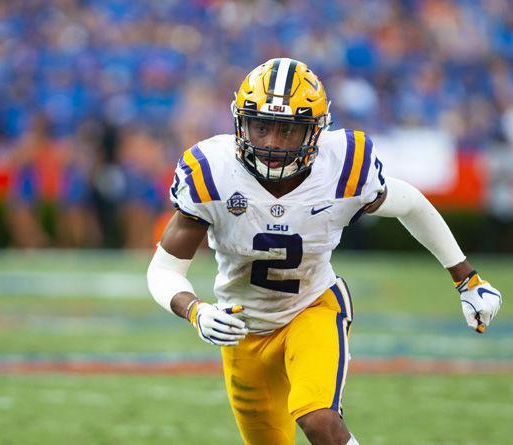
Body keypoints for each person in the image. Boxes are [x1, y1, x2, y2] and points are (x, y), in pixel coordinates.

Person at [146, 58, 503, 445]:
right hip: (243, 331)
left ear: (316, 131)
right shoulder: (211, 171)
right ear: (239, 122)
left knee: (318, 419)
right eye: (261, 125)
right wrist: (195, 311)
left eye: (287, 130)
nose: (271, 143)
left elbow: (411, 204)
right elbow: (162, 270)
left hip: (312, 307)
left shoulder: (342, 165)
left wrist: (467, 278)